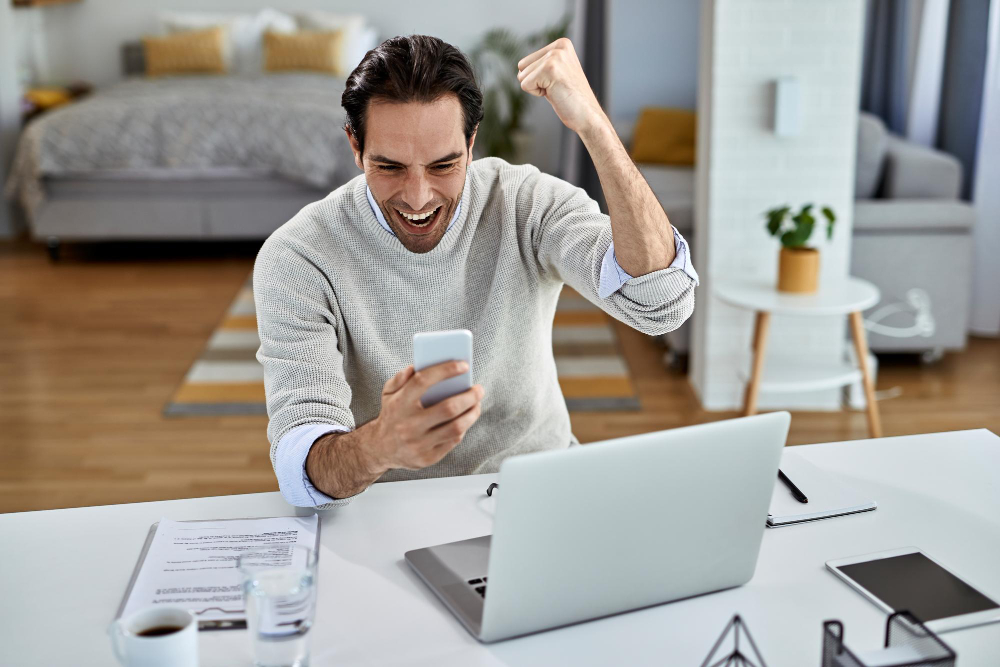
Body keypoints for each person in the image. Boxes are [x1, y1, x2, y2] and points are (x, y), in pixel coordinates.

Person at [254, 34, 699, 508]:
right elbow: (300, 468)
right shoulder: (299, 257)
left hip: (539, 490)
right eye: (390, 167)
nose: (419, 197)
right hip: (386, 513)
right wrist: (379, 444)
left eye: (444, 164)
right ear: (355, 146)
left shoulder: (526, 203)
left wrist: (595, 126)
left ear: (471, 143)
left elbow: (662, 304)